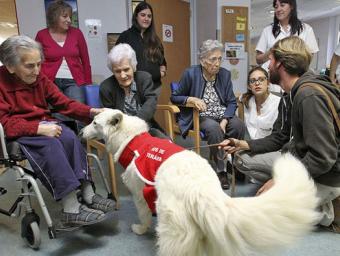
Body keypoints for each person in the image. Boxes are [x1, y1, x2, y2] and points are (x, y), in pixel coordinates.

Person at [221, 36, 340, 233]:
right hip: (302, 160)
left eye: (271, 61)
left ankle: (329, 211)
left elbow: (322, 157)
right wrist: (244, 144)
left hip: (328, 175)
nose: (267, 66)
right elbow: (282, 137)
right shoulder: (292, 93)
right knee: (245, 164)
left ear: (281, 65)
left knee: (261, 215)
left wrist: (280, 180)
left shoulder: (308, 96)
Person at [0, 35, 115, 226]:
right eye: (30, 66)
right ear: (10, 66)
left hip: (44, 122)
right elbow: (5, 123)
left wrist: (91, 111)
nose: (37, 71)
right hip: (19, 129)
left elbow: (64, 103)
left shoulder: (39, 77)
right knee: (51, 144)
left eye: (39, 64)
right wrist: (38, 129)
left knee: (70, 137)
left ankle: (88, 194)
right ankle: (71, 208)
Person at [170, 39, 245, 190]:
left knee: (238, 124)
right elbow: (175, 97)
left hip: (221, 114)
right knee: (213, 128)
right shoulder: (190, 74)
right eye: (213, 59)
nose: (217, 63)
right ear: (203, 61)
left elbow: (231, 102)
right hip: (201, 116)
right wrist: (191, 98)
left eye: (219, 59)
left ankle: (234, 162)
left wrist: (224, 120)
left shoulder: (224, 74)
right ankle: (221, 170)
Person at [35, 0, 92, 132]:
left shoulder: (77, 33)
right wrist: (38, 82)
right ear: (54, 16)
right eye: (65, 16)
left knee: (79, 113)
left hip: (74, 81)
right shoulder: (41, 35)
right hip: (50, 81)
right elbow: (37, 60)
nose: (69, 20)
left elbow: (85, 60)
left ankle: (83, 146)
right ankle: (63, 142)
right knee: (57, 114)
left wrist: (88, 82)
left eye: (70, 17)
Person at [100, 43, 166, 138]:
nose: (123, 75)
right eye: (117, 71)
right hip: (120, 134)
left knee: (167, 145)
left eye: (126, 69)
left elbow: (151, 101)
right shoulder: (106, 87)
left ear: (133, 66)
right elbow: (109, 118)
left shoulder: (144, 78)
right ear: (112, 71)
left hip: (146, 126)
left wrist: (135, 124)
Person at [256, 0, 319, 92]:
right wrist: (272, 51)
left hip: (296, 83)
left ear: (292, 6)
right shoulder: (268, 31)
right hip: (272, 85)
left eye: (282, 5)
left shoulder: (306, 29)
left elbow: (309, 57)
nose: (278, 9)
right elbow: (258, 59)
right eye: (276, 6)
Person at [116, 1, 166, 90]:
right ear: (136, 16)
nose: (146, 18)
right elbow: (115, 62)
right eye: (143, 15)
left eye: (149, 16)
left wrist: (162, 73)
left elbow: (162, 62)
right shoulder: (125, 36)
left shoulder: (155, 39)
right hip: (133, 89)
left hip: (154, 87)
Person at [241, 66, 281, 139]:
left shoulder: (278, 103)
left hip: (272, 146)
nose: (257, 83)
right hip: (251, 145)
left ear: (268, 83)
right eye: (252, 81)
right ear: (249, 86)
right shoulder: (247, 100)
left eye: (261, 79)